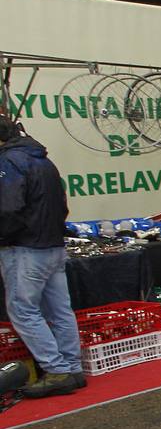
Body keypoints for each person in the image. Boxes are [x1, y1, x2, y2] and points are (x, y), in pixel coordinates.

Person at [0, 116, 83, 397]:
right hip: (53, 246)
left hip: (25, 249)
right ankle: (72, 368)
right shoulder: (44, 161)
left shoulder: (8, 162)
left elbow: (8, 209)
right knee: (60, 310)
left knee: (23, 311)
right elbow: (62, 204)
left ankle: (58, 370)